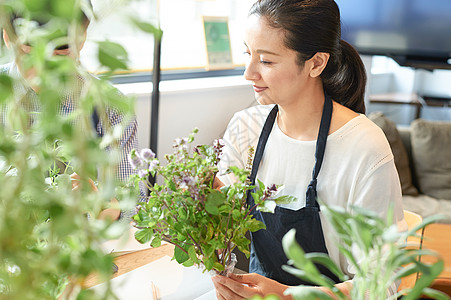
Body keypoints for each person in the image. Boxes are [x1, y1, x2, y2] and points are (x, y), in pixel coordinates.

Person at [212, 0, 407, 299]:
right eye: (248, 54)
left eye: (266, 61)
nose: (249, 73)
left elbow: (383, 282)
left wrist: (287, 296)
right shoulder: (245, 128)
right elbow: (226, 226)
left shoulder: (364, 147)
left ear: (316, 63)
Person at [0, 2, 139, 221]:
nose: (45, 69)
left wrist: (105, 206)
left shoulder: (110, 106)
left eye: (60, 54)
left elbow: (134, 202)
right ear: (7, 36)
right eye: (30, 53)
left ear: (82, 39)